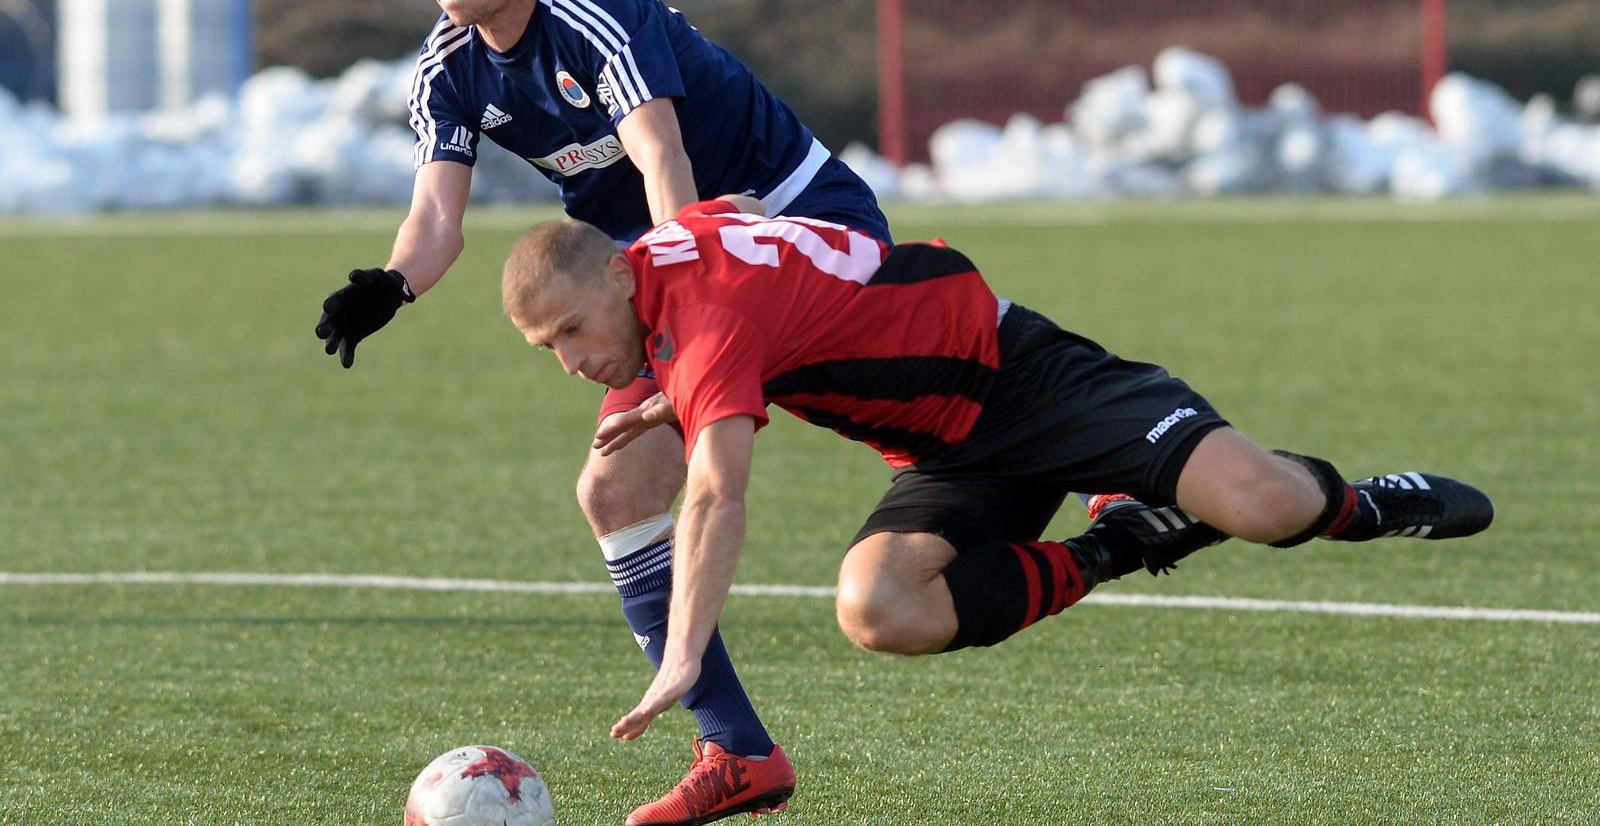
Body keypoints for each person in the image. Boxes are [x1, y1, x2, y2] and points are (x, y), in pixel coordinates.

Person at [498, 197, 1497, 761]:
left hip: (1029, 376)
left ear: (622, 274)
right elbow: (781, 265)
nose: (570, 361)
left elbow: (716, 494)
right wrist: (687, 384)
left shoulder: (702, 323)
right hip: (949, 454)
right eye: (546, 346)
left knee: (1271, 509)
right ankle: (1120, 540)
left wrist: (682, 656)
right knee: (878, 608)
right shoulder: (674, 254)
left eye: (573, 330)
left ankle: (1369, 505)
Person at [312, 0, 888, 823]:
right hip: (660, 270)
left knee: (898, 392)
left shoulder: (595, 12)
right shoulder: (448, 66)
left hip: (787, 221)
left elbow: (664, 162)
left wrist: (692, 304)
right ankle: (739, 750)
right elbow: (436, 211)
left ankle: (1112, 466)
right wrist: (393, 284)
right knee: (615, 494)